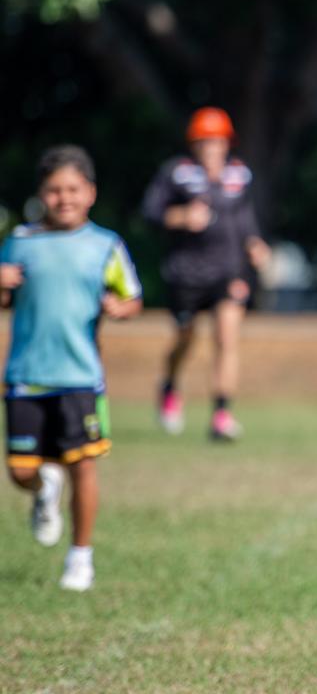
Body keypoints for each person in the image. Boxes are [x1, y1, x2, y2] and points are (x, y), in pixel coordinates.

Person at [1, 145, 143, 591]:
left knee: (83, 467)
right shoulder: (20, 242)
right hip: (26, 375)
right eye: (55, 190)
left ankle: (80, 558)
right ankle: (44, 486)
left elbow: (133, 298)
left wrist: (122, 308)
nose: (64, 198)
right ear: (41, 194)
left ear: (91, 194)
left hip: (80, 378)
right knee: (21, 470)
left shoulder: (105, 245)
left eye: (73, 190)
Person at [142, 107, 271, 441]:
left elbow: (245, 219)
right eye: (204, 142)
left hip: (227, 272)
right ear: (194, 145)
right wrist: (182, 216)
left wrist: (255, 244)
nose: (212, 149)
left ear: (227, 143)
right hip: (185, 273)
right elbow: (151, 214)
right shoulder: (177, 174)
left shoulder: (239, 175)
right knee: (186, 339)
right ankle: (169, 384)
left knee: (226, 339)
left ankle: (221, 415)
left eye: (217, 142)